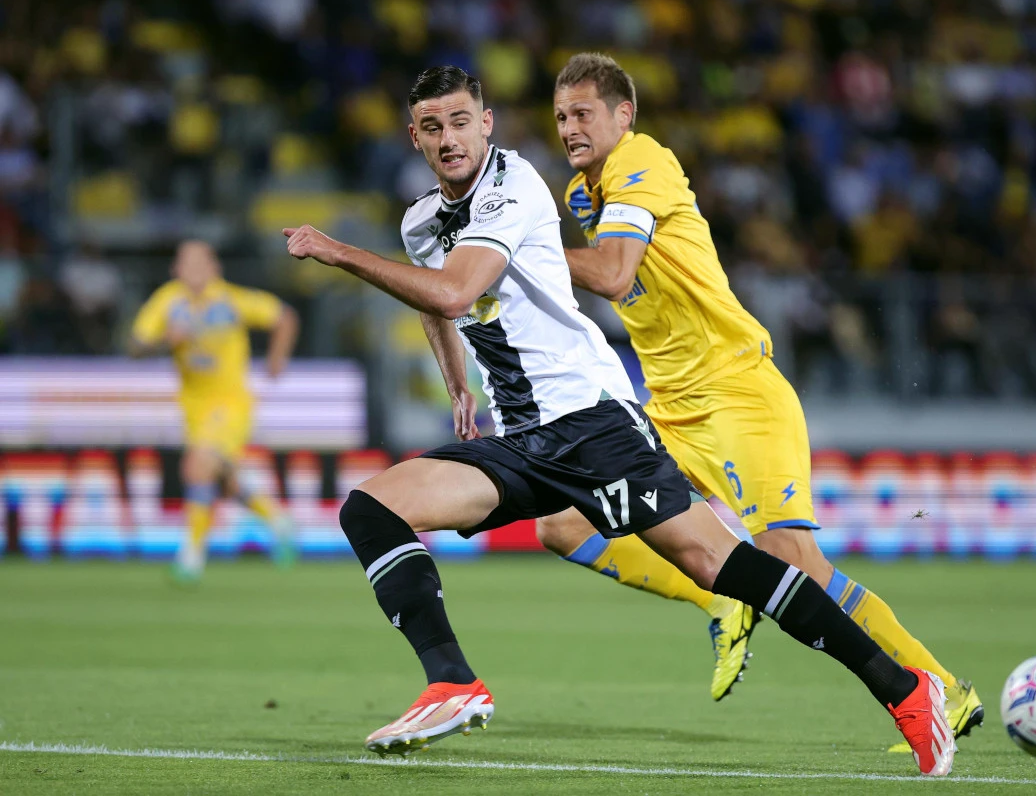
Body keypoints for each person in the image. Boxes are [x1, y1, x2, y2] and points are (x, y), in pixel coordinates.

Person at [282, 65, 955, 777]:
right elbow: (434, 301)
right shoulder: (421, 220)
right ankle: (452, 683)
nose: (448, 139)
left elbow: (452, 292)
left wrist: (337, 250)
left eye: (459, 122)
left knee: (719, 565)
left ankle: (906, 691)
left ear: (486, 125)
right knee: (371, 507)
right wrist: (456, 382)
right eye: (431, 127)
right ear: (412, 137)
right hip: (521, 439)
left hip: (592, 424)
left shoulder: (513, 189)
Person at [540, 52, 983, 752]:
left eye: (583, 113)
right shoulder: (581, 195)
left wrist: (519, 251)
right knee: (563, 521)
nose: (568, 127)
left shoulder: (642, 163)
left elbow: (616, 274)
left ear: (623, 116)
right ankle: (721, 597)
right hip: (670, 407)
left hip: (736, 391)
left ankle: (944, 691)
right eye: (561, 115)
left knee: (797, 563)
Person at [130, 240, 299, 581]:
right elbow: (135, 346)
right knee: (220, 480)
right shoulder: (168, 301)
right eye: (186, 263)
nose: (193, 270)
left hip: (231, 403)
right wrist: (165, 341)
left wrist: (277, 357)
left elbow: (285, 317)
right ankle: (277, 519)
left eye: (200, 263)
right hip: (193, 408)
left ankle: (191, 554)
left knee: (197, 466)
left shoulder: (231, 300)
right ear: (176, 269)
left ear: (214, 268)